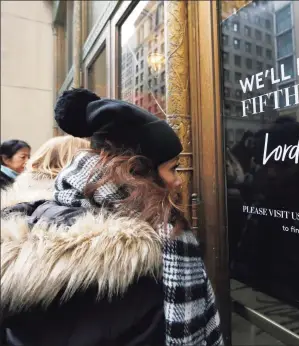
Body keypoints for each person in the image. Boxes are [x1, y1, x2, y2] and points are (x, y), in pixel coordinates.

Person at [1, 89, 224, 346]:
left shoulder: (41, 217)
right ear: (136, 173)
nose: (177, 182)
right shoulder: (141, 261)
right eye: (172, 169)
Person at [1, 135, 90, 207]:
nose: (27, 160)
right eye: (22, 157)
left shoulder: (20, 187)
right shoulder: (73, 196)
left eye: (28, 156)